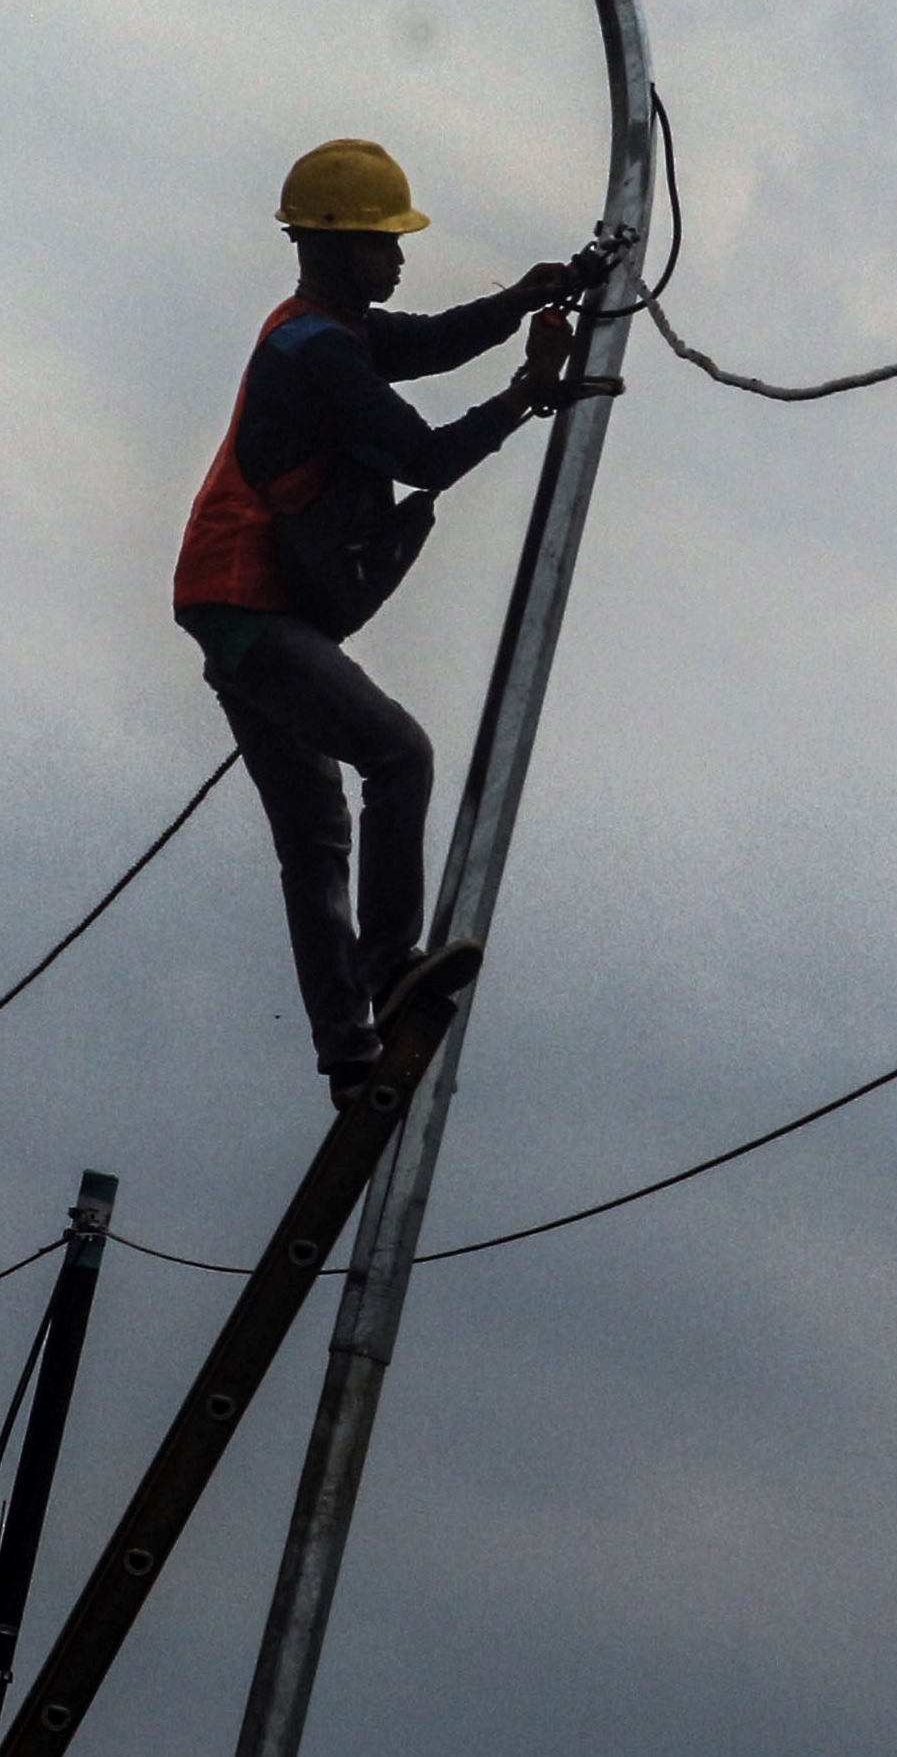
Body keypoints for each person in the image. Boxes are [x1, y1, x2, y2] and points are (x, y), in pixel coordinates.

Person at [173, 138, 619, 1100]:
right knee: (399, 755)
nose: (401, 259)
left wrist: (538, 294)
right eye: (385, 245)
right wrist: (527, 393)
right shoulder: (322, 356)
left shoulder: (316, 331)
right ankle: (385, 973)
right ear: (337, 250)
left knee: (316, 839)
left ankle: (347, 1051)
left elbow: (431, 340)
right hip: (249, 608)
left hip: (233, 607)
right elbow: (427, 458)